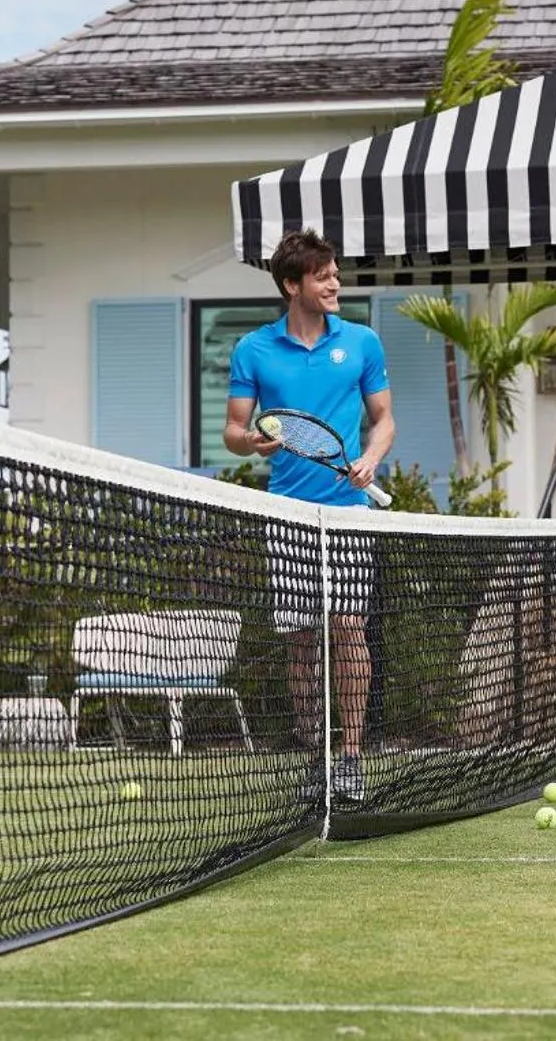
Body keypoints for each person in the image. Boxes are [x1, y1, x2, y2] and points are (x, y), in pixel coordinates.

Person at [222, 229, 395, 803]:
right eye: (323, 276)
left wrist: (370, 459)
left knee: (347, 629)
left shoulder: (363, 342)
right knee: (301, 640)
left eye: (335, 274)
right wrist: (252, 442)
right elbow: (233, 431)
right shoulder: (253, 350)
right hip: (287, 515)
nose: (334, 283)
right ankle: (313, 756)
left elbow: (384, 420)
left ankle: (350, 758)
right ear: (292, 285)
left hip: (348, 511)